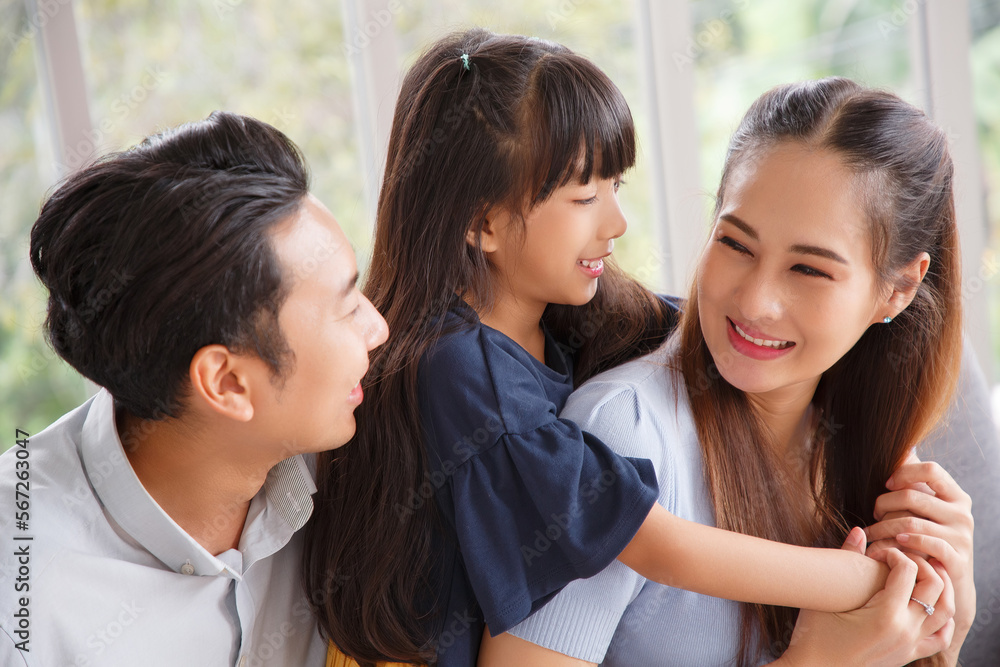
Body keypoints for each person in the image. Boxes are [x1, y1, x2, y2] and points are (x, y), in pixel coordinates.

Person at [305, 32, 956, 667]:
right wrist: (867, 581)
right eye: (585, 196)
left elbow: (684, 320)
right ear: (483, 222)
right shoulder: (475, 375)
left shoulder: (565, 322)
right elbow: (659, 546)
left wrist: (947, 590)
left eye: (617, 187)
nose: (617, 223)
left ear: (897, 290)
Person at [488, 78, 975, 666]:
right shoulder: (625, 437)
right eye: (737, 244)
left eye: (809, 270)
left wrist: (947, 627)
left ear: (898, 289)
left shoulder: (872, 443)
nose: (755, 302)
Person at [0, 111, 388, 666]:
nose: (378, 330)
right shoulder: (23, 604)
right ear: (227, 383)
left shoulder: (348, 456)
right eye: (347, 308)